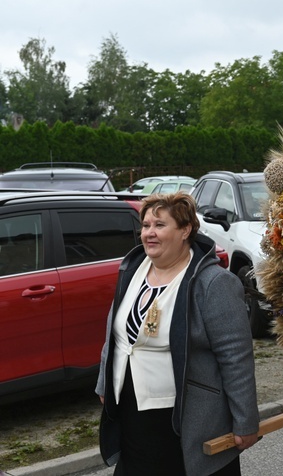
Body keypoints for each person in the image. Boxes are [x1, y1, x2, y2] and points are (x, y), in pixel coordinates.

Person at [96, 192, 259, 476]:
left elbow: (236, 358)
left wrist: (245, 422)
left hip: (186, 418)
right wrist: (104, 384)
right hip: (132, 413)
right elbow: (115, 335)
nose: (149, 233)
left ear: (185, 230)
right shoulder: (133, 269)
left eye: (160, 225)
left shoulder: (214, 283)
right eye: (145, 225)